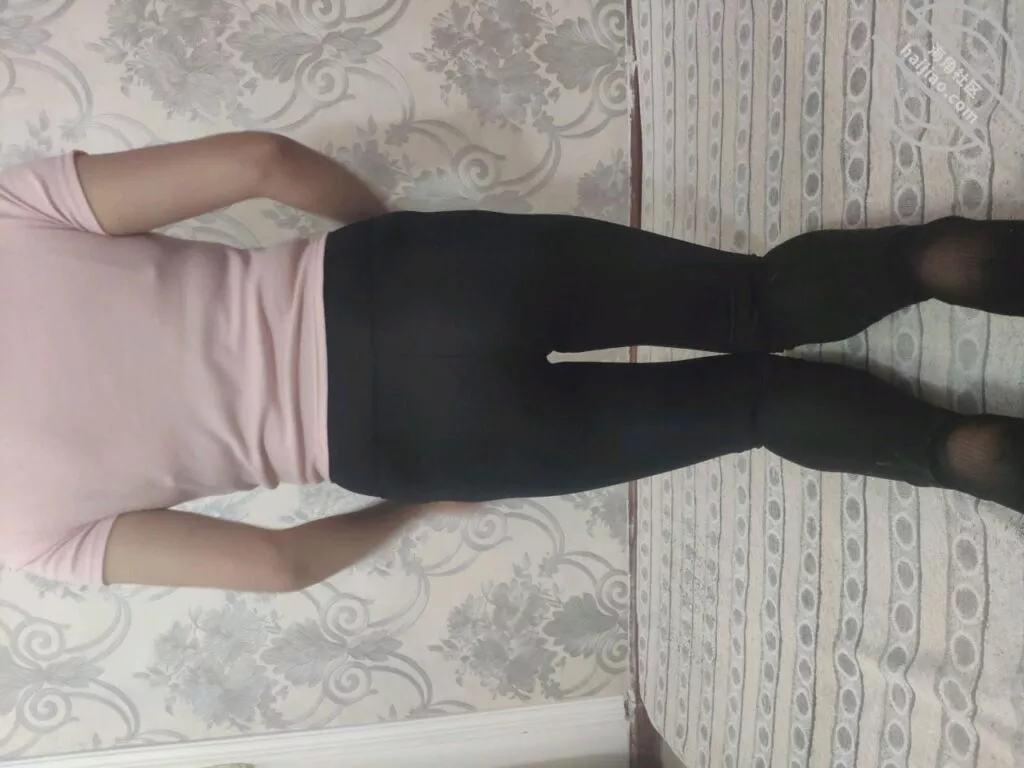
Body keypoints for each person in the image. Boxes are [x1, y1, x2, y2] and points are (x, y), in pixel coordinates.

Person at [0, 131, 1021, 592]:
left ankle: (961, 452)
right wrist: (386, 238)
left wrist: (407, 508)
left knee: (754, 409)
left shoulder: (21, 533)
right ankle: (939, 257)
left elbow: (276, 568)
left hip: (419, 439)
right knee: (753, 298)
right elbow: (257, 161)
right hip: (409, 281)